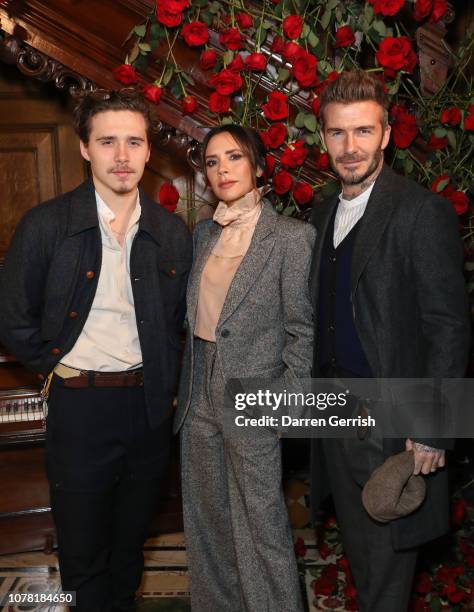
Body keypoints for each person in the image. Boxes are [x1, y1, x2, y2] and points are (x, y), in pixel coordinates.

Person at [0, 90, 192, 611]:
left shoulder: (171, 233)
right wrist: (54, 368)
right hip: (80, 406)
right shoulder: (47, 226)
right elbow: (11, 317)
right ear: (85, 148)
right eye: (108, 142)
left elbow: (178, 323)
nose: (122, 156)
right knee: (84, 556)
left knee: (130, 551)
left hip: (148, 408)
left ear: (150, 150)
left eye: (134, 141)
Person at [309, 70, 470, 611]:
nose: (350, 147)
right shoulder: (321, 213)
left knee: (384, 575)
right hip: (334, 417)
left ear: (385, 136)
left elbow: (448, 325)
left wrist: (431, 430)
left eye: (362, 131)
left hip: (393, 424)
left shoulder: (421, 211)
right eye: (337, 133)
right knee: (365, 562)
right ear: (323, 137)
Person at [174, 124, 315, 611]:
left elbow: (303, 330)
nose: (222, 170)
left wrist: (285, 406)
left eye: (233, 158)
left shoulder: (292, 238)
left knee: (263, 528)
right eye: (212, 162)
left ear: (257, 166)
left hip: (258, 395)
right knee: (209, 523)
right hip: (199, 396)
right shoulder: (202, 235)